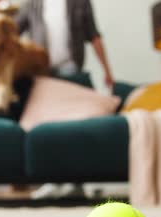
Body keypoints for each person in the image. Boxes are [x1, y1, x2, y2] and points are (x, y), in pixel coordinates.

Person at [16, 0, 115, 200]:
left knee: (75, 129)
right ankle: (52, 180)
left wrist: (106, 70)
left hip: (72, 71)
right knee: (46, 127)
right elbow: (13, 32)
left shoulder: (80, 3)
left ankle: (77, 182)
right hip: (43, 73)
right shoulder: (32, 4)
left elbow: (94, 36)